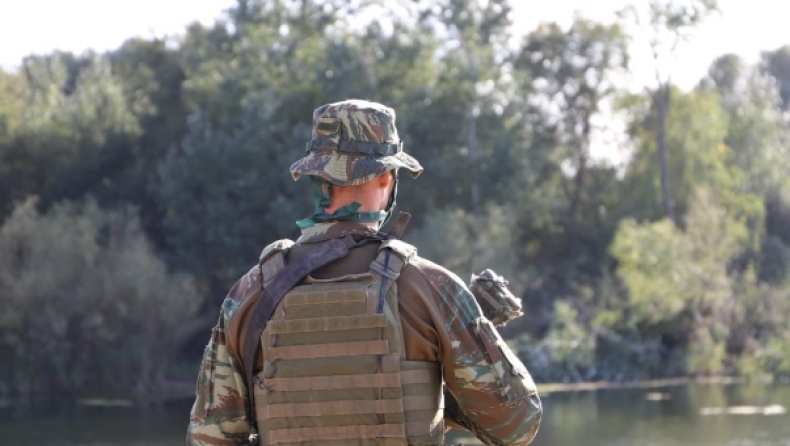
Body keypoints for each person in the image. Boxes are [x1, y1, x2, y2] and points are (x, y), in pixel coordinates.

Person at [187, 99, 542, 445]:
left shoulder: (249, 292)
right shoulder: (431, 286)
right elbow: (516, 426)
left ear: (316, 178)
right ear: (387, 178)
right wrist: (441, 386)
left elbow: (209, 437)